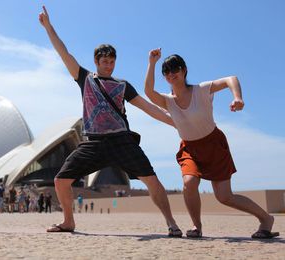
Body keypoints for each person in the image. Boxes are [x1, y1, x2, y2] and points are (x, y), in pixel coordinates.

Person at [39, 6, 181, 236]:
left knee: (152, 181)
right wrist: (48, 27)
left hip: (121, 141)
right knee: (61, 180)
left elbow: (148, 108)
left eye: (112, 61)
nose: (109, 64)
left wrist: (175, 122)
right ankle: (68, 222)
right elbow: (63, 52)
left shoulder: (122, 85)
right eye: (105, 61)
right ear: (96, 61)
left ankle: (171, 223)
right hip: (93, 142)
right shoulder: (84, 78)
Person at [144, 48, 279, 239]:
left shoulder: (201, 89)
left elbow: (230, 79)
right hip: (189, 148)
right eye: (166, 72)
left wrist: (237, 97)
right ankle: (196, 226)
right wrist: (152, 63)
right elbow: (148, 91)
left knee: (224, 197)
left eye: (175, 69)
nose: (170, 74)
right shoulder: (168, 102)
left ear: (184, 70)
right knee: (189, 183)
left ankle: (266, 219)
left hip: (214, 144)